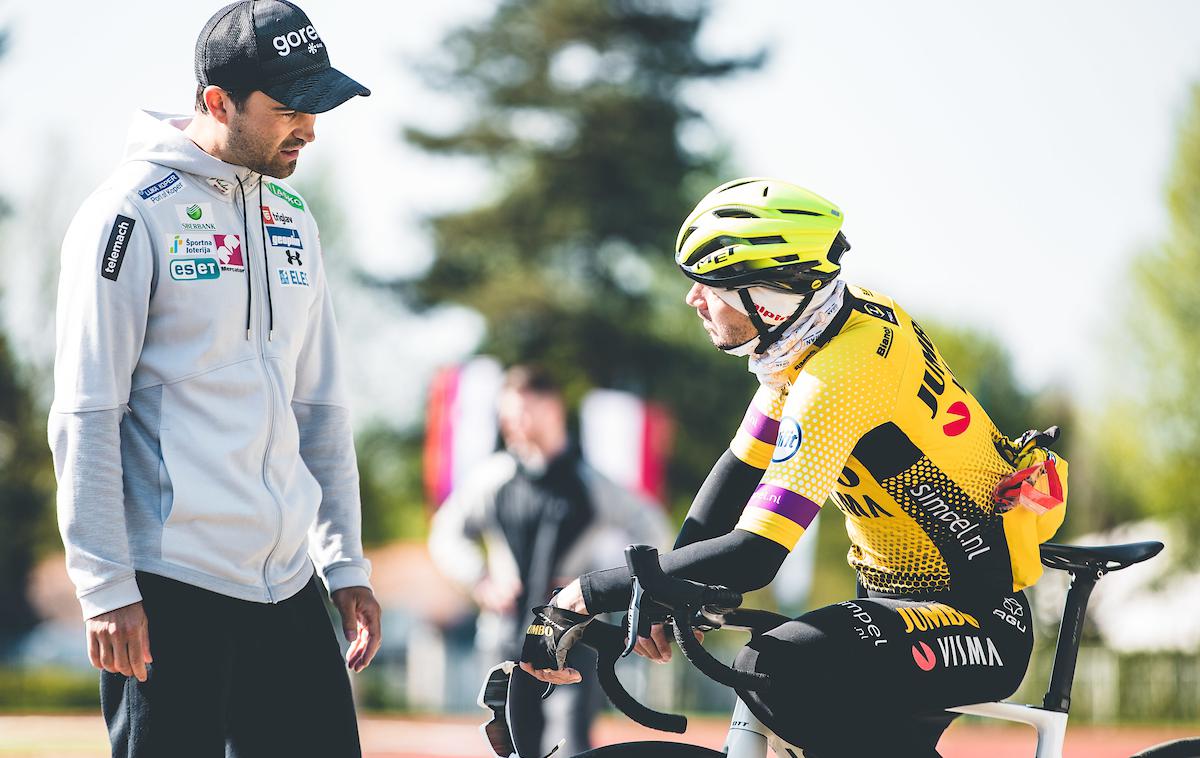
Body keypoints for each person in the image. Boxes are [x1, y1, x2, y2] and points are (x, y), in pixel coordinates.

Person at [518, 178, 1069, 757]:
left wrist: (588, 592)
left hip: (977, 618)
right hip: (899, 604)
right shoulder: (820, 336)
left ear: (768, 297)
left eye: (710, 284)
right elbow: (733, 479)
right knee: (784, 670)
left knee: (777, 668)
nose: (693, 299)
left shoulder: (838, 376)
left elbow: (757, 553)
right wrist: (664, 593)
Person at [49, 3, 379, 756]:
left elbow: (319, 409)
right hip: (170, 591)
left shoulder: (296, 217)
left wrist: (345, 561)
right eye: (290, 108)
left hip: (290, 587)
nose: (310, 129)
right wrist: (104, 588)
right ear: (217, 103)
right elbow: (86, 414)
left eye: (316, 108)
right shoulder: (126, 215)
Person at [430, 365, 669, 755]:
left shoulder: (591, 482)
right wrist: (481, 578)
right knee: (510, 747)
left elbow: (652, 532)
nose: (513, 423)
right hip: (503, 636)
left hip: (575, 635)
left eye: (524, 411)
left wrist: (605, 588)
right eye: (506, 414)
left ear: (554, 410)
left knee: (572, 745)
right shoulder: (493, 478)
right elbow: (446, 533)